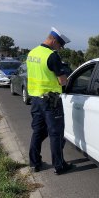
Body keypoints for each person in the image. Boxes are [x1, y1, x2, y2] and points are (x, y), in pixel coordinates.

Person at [27, 27, 73, 175]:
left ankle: (34, 163)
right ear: (53, 40)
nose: (59, 48)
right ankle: (59, 166)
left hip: (35, 99)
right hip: (51, 101)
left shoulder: (32, 53)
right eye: (59, 45)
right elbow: (62, 81)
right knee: (56, 133)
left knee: (38, 132)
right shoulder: (52, 56)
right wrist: (65, 74)